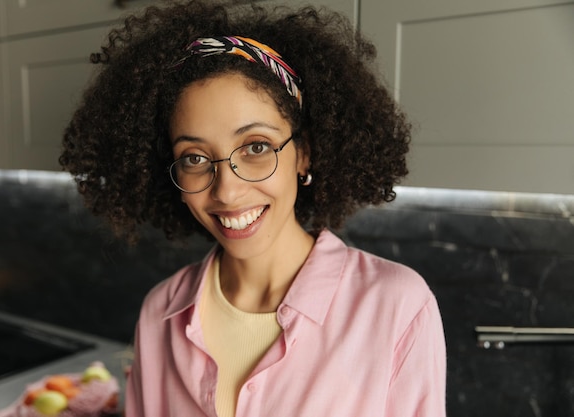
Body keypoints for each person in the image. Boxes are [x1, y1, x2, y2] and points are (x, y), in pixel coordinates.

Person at [59, 0, 447, 416]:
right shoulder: (161, 312)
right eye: (193, 157)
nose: (226, 190)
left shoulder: (396, 305)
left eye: (257, 147)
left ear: (304, 155)